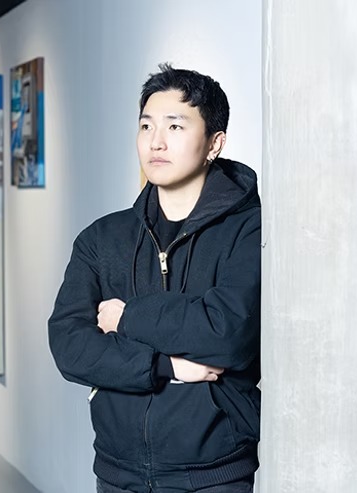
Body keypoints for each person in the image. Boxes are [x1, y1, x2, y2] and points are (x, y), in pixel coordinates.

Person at [48, 64, 261, 493]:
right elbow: (70, 346)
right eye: (146, 126)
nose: (155, 141)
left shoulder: (249, 231)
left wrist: (126, 319)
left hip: (214, 475)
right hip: (118, 473)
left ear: (214, 143)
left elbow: (227, 332)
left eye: (175, 126)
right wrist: (166, 366)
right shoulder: (102, 239)